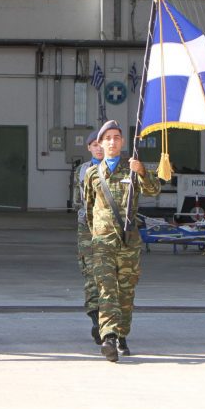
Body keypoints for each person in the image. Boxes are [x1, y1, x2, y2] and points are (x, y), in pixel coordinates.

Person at [83, 120, 161, 362]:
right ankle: (108, 337)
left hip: (128, 242)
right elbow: (87, 207)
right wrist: (96, 233)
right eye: (107, 138)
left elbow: (154, 190)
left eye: (116, 138)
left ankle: (122, 334)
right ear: (100, 143)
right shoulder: (92, 174)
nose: (112, 142)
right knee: (106, 289)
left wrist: (143, 173)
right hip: (103, 242)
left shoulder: (132, 170)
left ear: (122, 142)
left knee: (125, 293)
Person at [73, 130, 104, 344]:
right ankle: (96, 320)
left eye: (102, 143)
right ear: (89, 148)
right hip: (88, 227)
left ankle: (111, 323)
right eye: (95, 144)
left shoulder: (122, 169)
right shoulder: (83, 170)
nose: (99, 147)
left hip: (111, 228)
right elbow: (81, 200)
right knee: (91, 274)